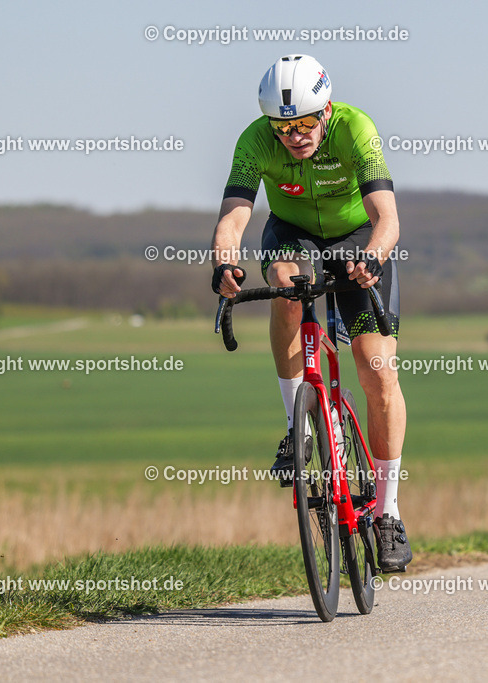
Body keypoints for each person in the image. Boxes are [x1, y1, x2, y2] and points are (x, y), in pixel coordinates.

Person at [210, 54, 411, 571]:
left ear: (324, 113)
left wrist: (373, 256)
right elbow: (235, 212)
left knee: (377, 372)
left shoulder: (354, 128)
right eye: (283, 127)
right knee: (283, 281)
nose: (294, 136)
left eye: (303, 124)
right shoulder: (255, 141)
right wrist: (224, 261)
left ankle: (387, 513)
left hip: (357, 237)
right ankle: (298, 428)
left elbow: (386, 217)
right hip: (293, 232)